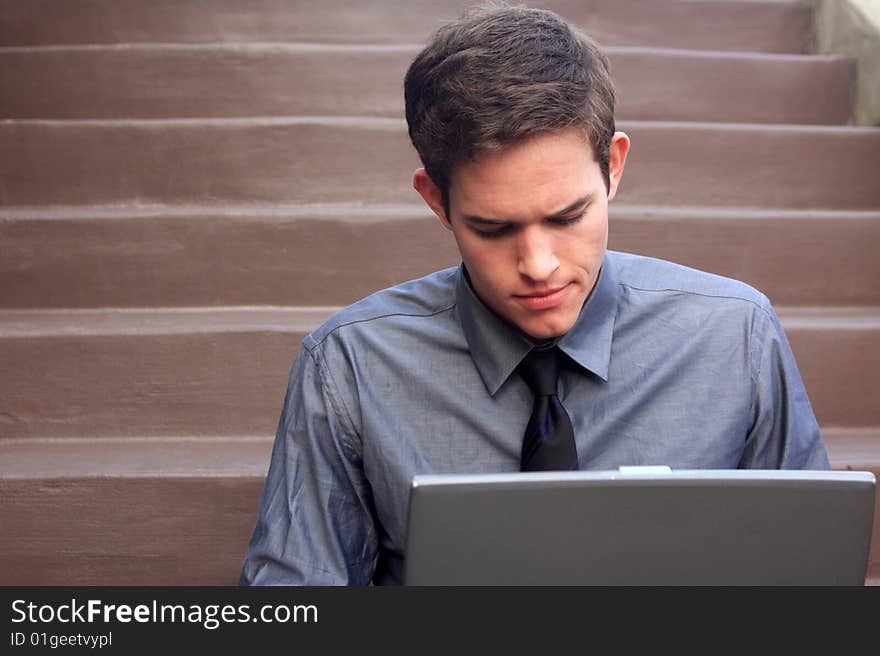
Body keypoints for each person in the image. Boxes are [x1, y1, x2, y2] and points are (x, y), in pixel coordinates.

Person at [240, 3, 829, 585]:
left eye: (568, 217)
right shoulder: (349, 367)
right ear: (435, 201)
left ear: (613, 168)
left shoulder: (735, 336)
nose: (539, 266)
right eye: (494, 229)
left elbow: (809, 577)